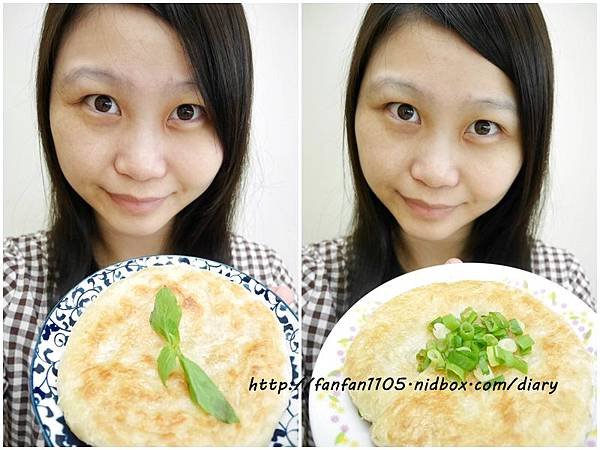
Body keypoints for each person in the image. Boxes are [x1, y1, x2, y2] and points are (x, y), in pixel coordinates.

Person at [301, 3, 595, 446]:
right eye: (403, 110)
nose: (435, 171)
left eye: (483, 125)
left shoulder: (563, 291)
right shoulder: (308, 289)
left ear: (530, 140)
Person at [3, 4, 294, 446]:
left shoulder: (267, 285)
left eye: (188, 111)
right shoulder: (9, 290)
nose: (141, 164)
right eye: (102, 102)